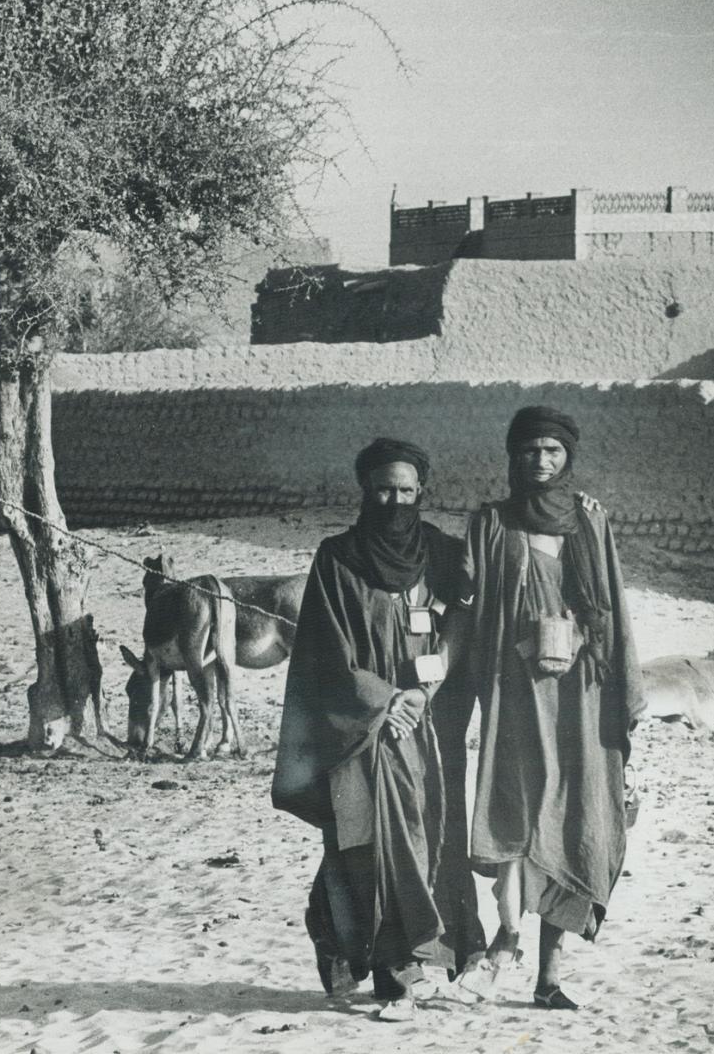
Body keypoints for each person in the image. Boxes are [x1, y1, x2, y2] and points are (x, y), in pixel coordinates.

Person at [452, 406, 644, 1011]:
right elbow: (464, 599)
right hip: (513, 694)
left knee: (573, 818)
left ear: (568, 457)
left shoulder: (590, 521)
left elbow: (611, 607)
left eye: (552, 451)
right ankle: (506, 939)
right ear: (513, 456)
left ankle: (549, 977)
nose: (541, 461)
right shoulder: (490, 523)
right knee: (515, 813)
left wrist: (621, 695)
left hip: (579, 700)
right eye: (530, 450)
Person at [271, 437, 465, 1021]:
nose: (396, 500)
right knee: (369, 843)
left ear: (422, 492)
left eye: (407, 491)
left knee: (414, 836)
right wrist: (383, 701)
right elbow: (325, 653)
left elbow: (459, 623)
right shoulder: (337, 557)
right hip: (356, 728)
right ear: (365, 488)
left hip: (418, 722)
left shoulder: (439, 554)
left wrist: (421, 692)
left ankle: (332, 932)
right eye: (384, 488)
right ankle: (396, 975)